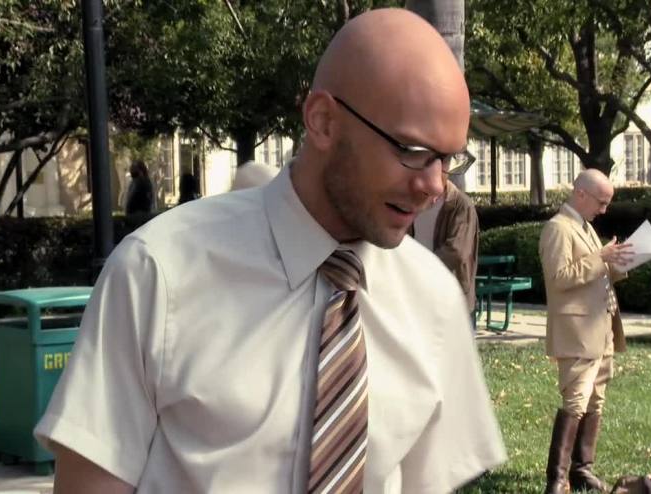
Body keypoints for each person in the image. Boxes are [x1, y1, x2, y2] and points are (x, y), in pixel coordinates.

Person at [35, 8, 505, 493]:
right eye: (413, 151)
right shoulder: (158, 273)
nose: (435, 185)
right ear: (323, 121)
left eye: (448, 159)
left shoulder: (432, 299)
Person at [538, 169, 634, 494]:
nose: (604, 210)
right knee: (575, 401)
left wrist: (617, 262)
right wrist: (600, 257)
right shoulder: (558, 228)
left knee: (596, 400)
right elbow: (559, 278)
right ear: (581, 194)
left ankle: (582, 470)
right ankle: (556, 479)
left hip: (601, 327)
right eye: (601, 202)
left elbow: (595, 270)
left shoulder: (585, 227)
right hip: (577, 330)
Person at [412, 180, 479, 314]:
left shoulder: (460, 204)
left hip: (453, 301)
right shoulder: (413, 202)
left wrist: (421, 267)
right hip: (419, 297)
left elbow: (457, 251)